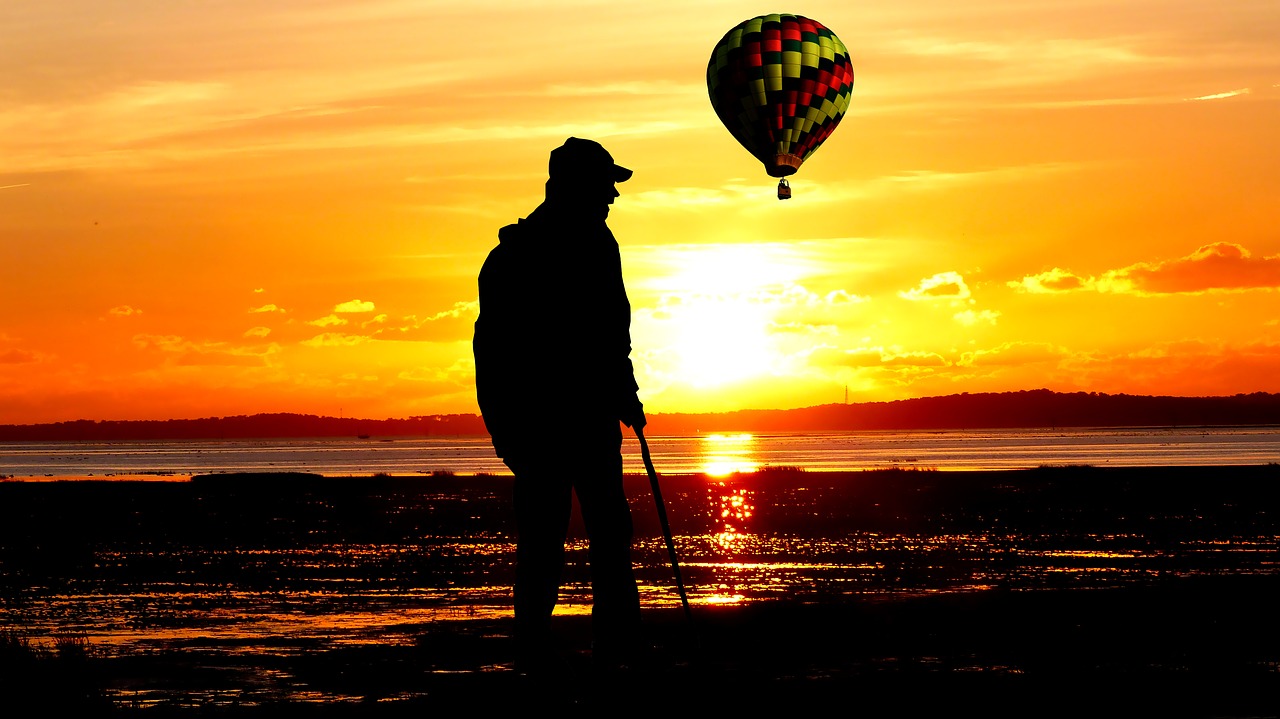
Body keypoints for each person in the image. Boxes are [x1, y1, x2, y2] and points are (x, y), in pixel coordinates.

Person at [472, 137, 647, 672]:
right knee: (581, 538)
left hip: (559, 421)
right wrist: (624, 391)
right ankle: (591, 649)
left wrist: (625, 391)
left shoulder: (516, 255)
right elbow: (500, 347)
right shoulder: (572, 247)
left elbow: (608, 332)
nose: (612, 198)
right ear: (576, 186)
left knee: (568, 539)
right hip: (558, 422)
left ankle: (566, 648)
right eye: (605, 187)